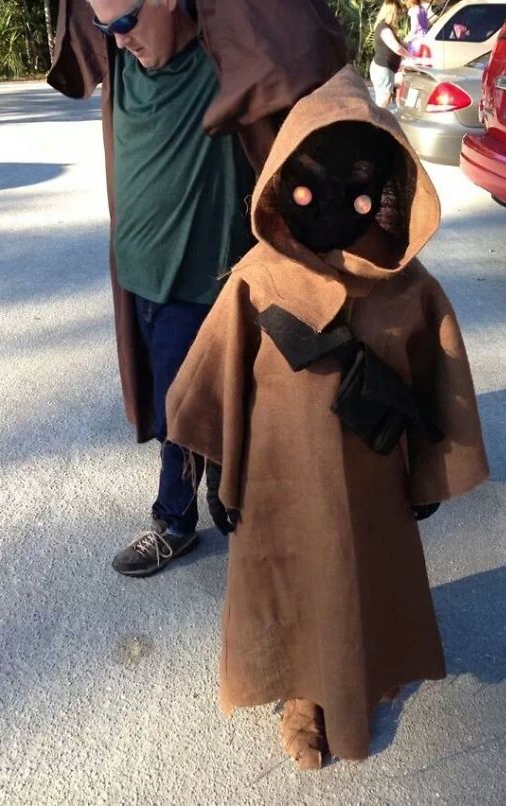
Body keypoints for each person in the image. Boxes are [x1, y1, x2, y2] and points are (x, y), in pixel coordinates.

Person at [166, 66, 489, 768]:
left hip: (372, 484)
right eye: (311, 183)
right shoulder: (258, 280)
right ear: (283, 181)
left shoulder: (410, 289)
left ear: (388, 188)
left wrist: (428, 476)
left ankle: (363, 676)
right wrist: (218, 465)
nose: (333, 204)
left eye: (359, 186)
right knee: (293, 583)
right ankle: (307, 694)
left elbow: (444, 388)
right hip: (278, 484)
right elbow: (213, 381)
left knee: (363, 577)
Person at [47, 0, 346, 577]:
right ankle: (214, 488)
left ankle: (176, 522)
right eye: (104, 26)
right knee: (174, 404)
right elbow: (83, 45)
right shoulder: (123, 61)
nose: (118, 38)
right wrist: (115, 26)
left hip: (203, 285)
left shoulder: (225, 59)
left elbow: (308, 36)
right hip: (139, 281)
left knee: (189, 412)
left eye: (126, 23)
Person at [370, 0, 413, 108]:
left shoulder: (386, 28)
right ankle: (376, 122)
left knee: (385, 97)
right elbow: (397, 48)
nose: (398, 17)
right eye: (397, 14)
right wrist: (410, 57)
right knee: (383, 101)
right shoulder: (384, 28)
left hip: (387, 69)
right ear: (392, 13)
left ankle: (379, 120)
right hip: (383, 69)